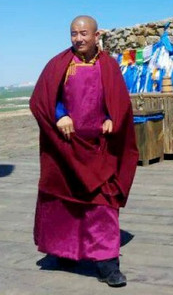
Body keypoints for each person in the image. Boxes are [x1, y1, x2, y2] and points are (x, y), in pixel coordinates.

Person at [29, 15, 138, 288]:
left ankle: (107, 264)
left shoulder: (108, 66)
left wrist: (112, 116)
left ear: (96, 34)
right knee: (63, 201)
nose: (78, 38)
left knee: (103, 204)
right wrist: (59, 115)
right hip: (67, 146)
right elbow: (44, 97)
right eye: (74, 34)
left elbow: (119, 101)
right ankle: (65, 253)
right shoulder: (60, 64)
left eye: (84, 33)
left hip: (100, 147)